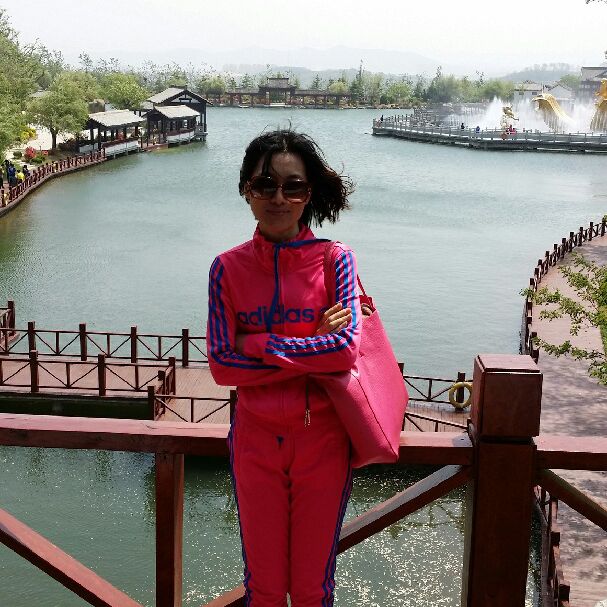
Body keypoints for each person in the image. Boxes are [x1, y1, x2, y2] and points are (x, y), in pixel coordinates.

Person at [207, 129, 362, 606]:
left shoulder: (336, 261)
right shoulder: (226, 268)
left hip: (324, 440)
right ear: (246, 191)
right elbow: (222, 365)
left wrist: (256, 343)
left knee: (313, 589)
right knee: (266, 589)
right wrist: (310, 348)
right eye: (265, 185)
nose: (278, 198)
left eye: (292, 187)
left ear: (308, 194)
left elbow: (345, 350)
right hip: (254, 440)